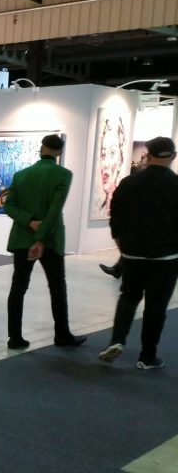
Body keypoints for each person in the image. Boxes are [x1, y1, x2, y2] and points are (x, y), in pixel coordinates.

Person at [97, 136, 178, 370]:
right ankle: (147, 356)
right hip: (166, 258)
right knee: (156, 307)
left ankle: (117, 340)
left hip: (133, 255)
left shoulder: (129, 183)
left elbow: (116, 218)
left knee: (128, 297)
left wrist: (123, 248)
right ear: (173, 156)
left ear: (148, 155)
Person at [3, 134, 87, 350]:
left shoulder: (21, 175)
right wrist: (40, 238)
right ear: (59, 152)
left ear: (42, 148)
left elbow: (9, 206)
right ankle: (62, 334)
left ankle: (15, 338)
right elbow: (54, 211)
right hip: (50, 241)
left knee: (18, 288)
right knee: (57, 287)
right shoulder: (63, 175)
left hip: (22, 239)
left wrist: (29, 221)